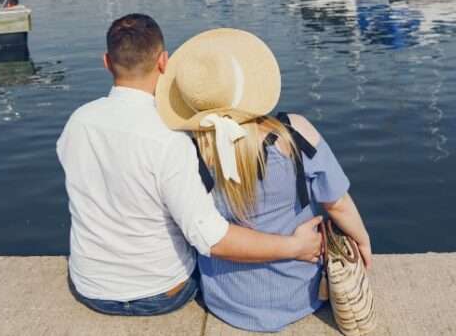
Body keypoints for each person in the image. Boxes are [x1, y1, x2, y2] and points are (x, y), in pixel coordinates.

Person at [56, 14, 322, 317]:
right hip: (159, 292)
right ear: (163, 62)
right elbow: (211, 238)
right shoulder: (170, 136)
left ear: (106, 61)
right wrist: (295, 247)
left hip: (89, 286)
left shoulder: (77, 122)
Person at [155, 27, 372, 332]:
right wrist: (363, 241)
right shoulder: (294, 133)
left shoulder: (188, 149)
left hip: (226, 300)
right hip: (300, 295)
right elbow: (337, 204)